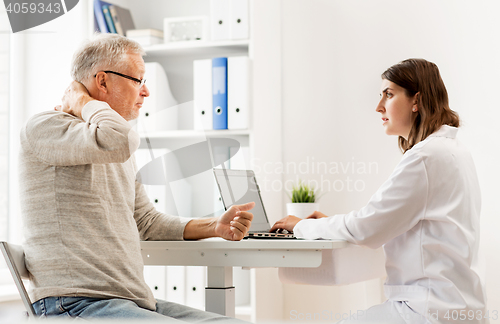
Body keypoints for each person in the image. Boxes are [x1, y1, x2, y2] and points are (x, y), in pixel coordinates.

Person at [19, 33, 254, 321]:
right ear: (102, 81)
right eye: (138, 80)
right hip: (76, 302)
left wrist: (213, 226)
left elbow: (146, 222)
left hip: (132, 302)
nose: (146, 92)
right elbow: (120, 139)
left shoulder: (113, 144)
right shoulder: (48, 127)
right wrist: (82, 102)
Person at [271, 59, 487, 324]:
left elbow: (366, 226)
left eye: (389, 94)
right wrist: (333, 224)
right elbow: (382, 223)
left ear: (416, 100)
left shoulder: (425, 157)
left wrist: (302, 226)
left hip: (428, 311)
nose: (378, 107)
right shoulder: (454, 151)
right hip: (460, 309)